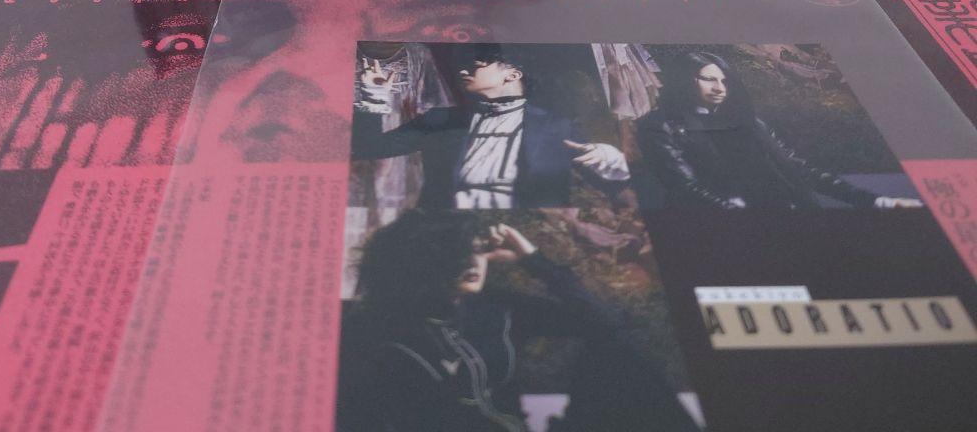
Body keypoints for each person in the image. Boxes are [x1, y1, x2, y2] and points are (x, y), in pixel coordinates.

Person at [337, 211, 697, 432]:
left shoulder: (496, 307)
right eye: (456, 252)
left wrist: (532, 259)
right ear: (418, 261)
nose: (473, 261)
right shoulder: (372, 329)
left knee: (617, 353)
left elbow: (604, 324)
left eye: (478, 249)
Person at [635, 51, 923, 209]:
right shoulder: (659, 126)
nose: (719, 88)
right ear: (686, 80)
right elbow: (685, 188)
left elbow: (797, 169)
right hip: (724, 234)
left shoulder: (748, 122)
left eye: (723, 80)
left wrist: (877, 201)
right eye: (709, 79)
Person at [352, 44, 627, 208]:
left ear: (512, 74)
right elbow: (366, 148)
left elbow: (616, 184)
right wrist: (373, 97)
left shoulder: (557, 127)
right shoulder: (442, 120)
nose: (463, 71)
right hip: (446, 231)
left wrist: (610, 159)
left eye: (476, 65)